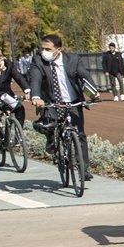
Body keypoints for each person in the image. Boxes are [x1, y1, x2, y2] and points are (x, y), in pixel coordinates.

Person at [27, 33, 93, 180]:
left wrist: (93, 92)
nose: (44, 52)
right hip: (50, 101)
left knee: (79, 134)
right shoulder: (38, 60)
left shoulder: (73, 59)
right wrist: (36, 96)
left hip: (72, 101)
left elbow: (84, 75)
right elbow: (35, 78)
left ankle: (84, 168)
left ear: (59, 49)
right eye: (42, 48)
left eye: (48, 49)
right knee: (50, 124)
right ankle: (51, 140)